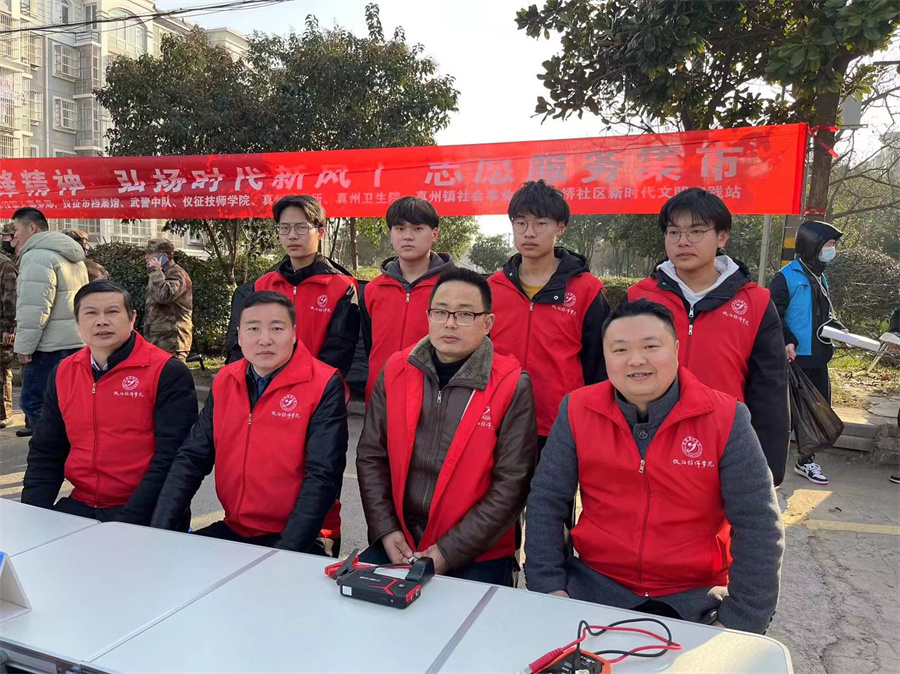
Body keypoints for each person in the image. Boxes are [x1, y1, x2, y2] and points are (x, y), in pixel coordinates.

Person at [525, 299, 784, 634]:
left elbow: (758, 523)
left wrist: (741, 620)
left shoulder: (726, 418)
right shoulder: (577, 409)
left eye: (650, 346)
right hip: (592, 587)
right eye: (620, 350)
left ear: (675, 349)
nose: (636, 360)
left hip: (695, 599)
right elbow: (547, 499)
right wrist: (548, 586)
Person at [357, 268, 538, 586]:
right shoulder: (396, 370)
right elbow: (372, 456)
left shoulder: (511, 384)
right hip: (401, 538)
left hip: (477, 551)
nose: (450, 323)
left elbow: (511, 485)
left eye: (465, 314)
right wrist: (385, 528)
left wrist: (448, 551)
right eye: (440, 312)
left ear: (487, 323)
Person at [152, 291, 348, 555]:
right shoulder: (226, 380)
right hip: (237, 527)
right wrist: (159, 530)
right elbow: (192, 457)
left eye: (277, 328)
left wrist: (283, 552)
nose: (264, 339)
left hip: (304, 535)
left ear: (293, 333)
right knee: (170, 565)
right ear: (239, 335)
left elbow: (322, 476)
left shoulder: (324, 384)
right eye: (253, 329)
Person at [628, 188, 789, 484]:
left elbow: (769, 389)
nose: (683, 241)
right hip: (647, 442)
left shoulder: (755, 302)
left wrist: (768, 466)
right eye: (674, 232)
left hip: (723, 443)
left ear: (722, 237)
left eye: (696, 231)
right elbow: (616, 375)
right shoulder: (639, 297)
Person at [21, 281, 198, 524]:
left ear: (132, 318)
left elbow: (172, 458)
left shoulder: (166, 371)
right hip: (83, 502)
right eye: (91, 313)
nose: (102, 321)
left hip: (146, 508)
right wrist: (31, 514)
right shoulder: (64, 371)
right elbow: (47, 449)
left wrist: (125, 523)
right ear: (78, 322)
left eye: (112, 312)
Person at [488, 180, 609, 444]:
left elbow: (599, 363)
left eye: (541, 223)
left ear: (560, 227)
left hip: (560, 424)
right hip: (496, 419)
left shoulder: (587, 290)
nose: (529, 233)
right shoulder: (493, 288)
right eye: (521, 223)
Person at [224, 195, 359, 377]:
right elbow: (245, 341)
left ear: (320, 233)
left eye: (301, 227)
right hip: (264, 384)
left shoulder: (342, 287)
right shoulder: (263, 284)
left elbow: (339, 352)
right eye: (284, 228)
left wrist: (310, 384)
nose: (292, 235)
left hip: (317, 386)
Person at [769, 221, 844, 485]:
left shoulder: (819, 276)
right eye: (829, 244)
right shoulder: (785, 278)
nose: (832, 250)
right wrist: (787, 340)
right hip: (794, 359)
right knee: (785, 416)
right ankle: (771, 466)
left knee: (818, 411)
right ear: (813, 245)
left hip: (819, 357)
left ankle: (806, 461)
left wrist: (839, 331)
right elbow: (773, 316)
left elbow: (824, 314)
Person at [361, 196, 455, 400]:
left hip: (433, 398)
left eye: (417, 228)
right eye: (399, 228)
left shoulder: (455, 287)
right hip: (380, 396)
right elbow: (370, 344)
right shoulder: (373, 289)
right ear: (391, 234)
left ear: (435, 234)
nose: (407, 236)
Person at [11, 207, 88, 437]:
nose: (15, 236)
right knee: (68, 404)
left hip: (49, 347)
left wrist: (24, 347)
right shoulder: (72, 256)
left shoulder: (37, 256)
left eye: (16, 229)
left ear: (31, 227)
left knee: (34, 401)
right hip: (76, 341)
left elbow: (35, 307)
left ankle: (52, 451)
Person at [143, 238, 193, 362]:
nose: (146, 257)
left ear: (164, 256)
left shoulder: (177, 274)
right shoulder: (162, 273)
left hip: (173, 342)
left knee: (173, 374)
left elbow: (163, 297)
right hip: (158, 341)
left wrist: (155, 271)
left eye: (150, 253)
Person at [0, 222, 16, 429]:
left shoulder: (5, 265)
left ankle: (5, 413)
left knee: (2, 370)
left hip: (2, 326)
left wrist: (8, 327)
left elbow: (11, 297)